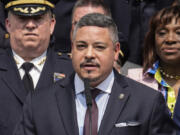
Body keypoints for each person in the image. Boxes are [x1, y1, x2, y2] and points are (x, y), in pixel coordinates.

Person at [14, 13, 176, 135]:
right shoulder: (39, 104)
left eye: (99, 47)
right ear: (72, 49)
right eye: (82, 46)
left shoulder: (147, 102)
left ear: (115, 51)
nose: (89, 54)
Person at [0, 0, 73, 135]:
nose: (30, 25)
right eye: (22, 18)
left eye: (38, 18)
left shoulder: (72, 73)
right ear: (8, 25)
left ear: (52, 25)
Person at [128, 5, 180, 118]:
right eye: (162, 33)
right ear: (153, 40)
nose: (170, 39)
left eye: (178, 33)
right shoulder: (132, 81)